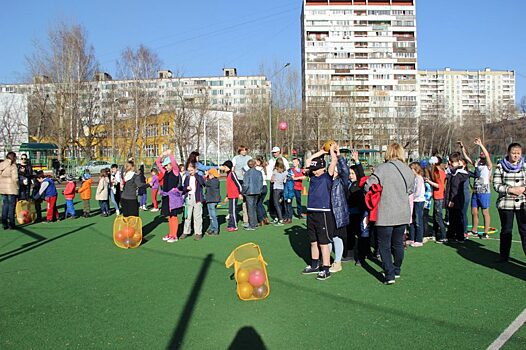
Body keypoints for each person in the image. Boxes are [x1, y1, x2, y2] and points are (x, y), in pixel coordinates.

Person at [365, 143, 415, 285]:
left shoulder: (382, 169)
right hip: (402, 212)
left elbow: (368, 185)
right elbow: (410, 190)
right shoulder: (407, 170)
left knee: (384, 245)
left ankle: (389, 273)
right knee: (398, 243)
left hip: (385, 212)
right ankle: (397, 268)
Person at [302, 146, 338, 281]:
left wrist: (332, 152)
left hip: (323, 213)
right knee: (313, 241)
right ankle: (314, 265)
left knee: (323, 243)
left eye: (316, 169)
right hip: (311, 212)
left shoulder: (327, 176)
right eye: (313, 170)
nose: (315, 172)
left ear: (322, 168)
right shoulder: (312, 175)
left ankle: (326, 268)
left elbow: (333, 161)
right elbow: (308, 161)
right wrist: (321, 152)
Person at [493, 142, 526, 262]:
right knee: (506, 230)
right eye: (513, 153)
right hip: (506, 203)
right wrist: (510, 190)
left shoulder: (524, 166)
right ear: (508, 153)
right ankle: (504, 256)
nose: (516, 156)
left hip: (522, 204)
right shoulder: (500, 166)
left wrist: (523, 189)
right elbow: (496, 185)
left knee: (524, 230)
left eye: (518, 153)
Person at [461, 138, 493, 239]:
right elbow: (466, 157)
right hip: (475, 191)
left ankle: (485, 232)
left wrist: (480, 145)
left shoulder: (488, 166)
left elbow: (487, 155)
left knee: (485, 212)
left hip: (484, 192)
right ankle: (474, 230)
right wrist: (462, 147)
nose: (480, 158)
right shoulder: (477, 165)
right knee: (474, 212)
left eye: (482, 157)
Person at [328, 143, 350, 274]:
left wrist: (338, 155)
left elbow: (345, 171)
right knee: (327, 237)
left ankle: (337, 261)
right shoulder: (327, 179)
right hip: (327, 211)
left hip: (337, 212)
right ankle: (326, 259)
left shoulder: (341, 181)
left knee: (336, 236)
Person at [346, 150, 370, 265]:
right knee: (349, 234)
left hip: (359, 213)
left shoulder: (359, 183)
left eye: (352, 173)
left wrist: (356, 160)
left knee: (361, 235)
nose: (350, 175)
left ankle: (361, 256)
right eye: (349, 173)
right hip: (349, 213)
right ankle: (349, 254)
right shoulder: (348, 183)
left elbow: (361, 175)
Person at [157, 150, 183, 243]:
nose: (165, 167)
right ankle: (171, 233)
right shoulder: (165, 172)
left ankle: (174, 235)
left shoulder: (175, 171)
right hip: (166, 197)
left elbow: (174, 163)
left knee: (174, 216)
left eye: (167, 165)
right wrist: (161, 155)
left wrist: (170, 154)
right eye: (165, 165)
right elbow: (158, 163)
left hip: (174, 198)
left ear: (171, 164)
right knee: (169, 216)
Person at [445, 152, 470, 243]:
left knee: (457, 218)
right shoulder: (453, 172)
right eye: (450, 162)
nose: (451, 163)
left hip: (456, 200)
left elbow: (454, 189)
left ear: (458, 162)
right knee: (453, 218)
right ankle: (452, 236)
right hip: (455, 199)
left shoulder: (458, 174)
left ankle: (459, 237)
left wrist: (451, 200)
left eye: (453, 162)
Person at [180, 162, 206, 240]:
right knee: (187, 216)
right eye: (189, 170)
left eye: (191, 170)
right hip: (189, 198)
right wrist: (186, 188)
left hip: (197, 198)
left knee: (197, 216)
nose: (190, 172)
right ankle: (186, 232)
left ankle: (198, 233)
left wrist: (196, 175)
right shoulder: (187, 178)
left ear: (195, 169)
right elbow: (183, 189)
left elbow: (203, 183)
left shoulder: (199, 177)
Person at [426, 156, 447, 243]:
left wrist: (429, 181)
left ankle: (443, 236)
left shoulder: (440, 172)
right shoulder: (435, 171)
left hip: (439, 196)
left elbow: (439, 186)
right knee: (435, 216)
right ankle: (435, 234)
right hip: (436, 196)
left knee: (438, 217)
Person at [266, 146, 290, 219]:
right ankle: (274, 212)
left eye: (275, 152)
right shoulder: (271, 161)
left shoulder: (283, 160)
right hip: (273, 182)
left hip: (281, 182)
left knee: (281, 198)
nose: (274, 154)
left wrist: (284, 179)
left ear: (279, 152)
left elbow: (287, 170)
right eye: (273, 152)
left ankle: (282, 213)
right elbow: (269, 171)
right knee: (273, 198)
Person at [232, 146, 252, 229]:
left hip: (246, 180)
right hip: (237, 179)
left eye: (245, 150)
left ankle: (246, 219)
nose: (244, 152)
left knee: (245, 200)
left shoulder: (249, 158)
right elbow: (232, 168)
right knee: (234, 198)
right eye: (242, 150)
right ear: (239, 151)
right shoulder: (235, 158)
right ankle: (232, 216)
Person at [242, 159, 263, 230]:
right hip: (257, 192)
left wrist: (243, 192)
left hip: (249, 192)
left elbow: (245, 184)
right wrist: (259, 190)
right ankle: (255, 222)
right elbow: (261, 182)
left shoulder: (247, 173)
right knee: (254, 207)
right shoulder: (259, 173)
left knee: (250, 209)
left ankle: (252, 225)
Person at [408, 162, 425, 247]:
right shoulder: (414, 178)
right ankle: (411, 238)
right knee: (412, 219)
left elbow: (418, 191)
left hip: (419, 201)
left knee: (418, 220)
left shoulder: (419, 178)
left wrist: (412, 197)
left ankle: (419, 240)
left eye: (411, 169)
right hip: (414, 201)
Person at [0, 152, 19, 229]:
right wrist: (18, 186)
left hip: (3, 188)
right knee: (11, 206)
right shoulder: (13, 166)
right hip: (11, 188)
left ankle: (4, 223)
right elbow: (15, 178)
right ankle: (11, 223)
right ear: (13, 157)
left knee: (5, 205)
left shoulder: (1, 164)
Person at [223, 160, 242, 232]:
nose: (224, 168)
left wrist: (240, 193)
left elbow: (238, 184)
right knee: (230, 211)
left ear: (228, 167)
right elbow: (230, 187)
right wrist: (227, 196)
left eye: (225, 166)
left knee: (233, 211)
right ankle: (230, 225)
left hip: (234, 196)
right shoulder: (228, 175)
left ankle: (234, 226)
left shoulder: (232, 174)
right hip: (230, 196)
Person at [204, 168, 221, 236]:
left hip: (211, 200)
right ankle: (212, 228)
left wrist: (205, 176)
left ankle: (215, 229)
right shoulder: (217, 181)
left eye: (210, 174)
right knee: (212, 215)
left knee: (212, 215)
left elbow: (204, 182)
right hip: (215, 199)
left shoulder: (211, 181)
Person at [271, 159, 287, 226]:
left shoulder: (275, 171)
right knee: (279, 204)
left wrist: (273, 179)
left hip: (276, 188)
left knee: (276, 204)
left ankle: (280, 219)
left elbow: (272, 180)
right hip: (282, 188)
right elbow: (285, 180)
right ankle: (277, 217)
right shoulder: (285, 171)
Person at [255, 156, 269, 226]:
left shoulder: (257, 168)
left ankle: (260, 220)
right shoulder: (264, 168)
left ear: (259, 161)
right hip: (265, 187)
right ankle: (265, 217)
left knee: (257, 204)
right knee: (260, 203)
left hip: (259, 187)